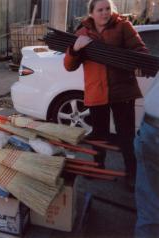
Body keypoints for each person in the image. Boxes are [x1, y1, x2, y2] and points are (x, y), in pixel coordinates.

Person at [63, 0, 148, 191]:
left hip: (122, 92)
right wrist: (75, 49)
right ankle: (97, 167)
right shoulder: (82, 33)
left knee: (126, 136)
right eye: (100, 10)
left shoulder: (123, 27)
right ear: (92, 13)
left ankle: (131, 173)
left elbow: (140, 49)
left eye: (108, 8)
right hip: (96, 92)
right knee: (99, 135)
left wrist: (140, 61)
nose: (105, 13)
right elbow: (69, 66)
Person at [134, 77, 159, 237]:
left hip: (153, 128)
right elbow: (69, 64)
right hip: (152, 128)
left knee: (150, 204)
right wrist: (74, 51)